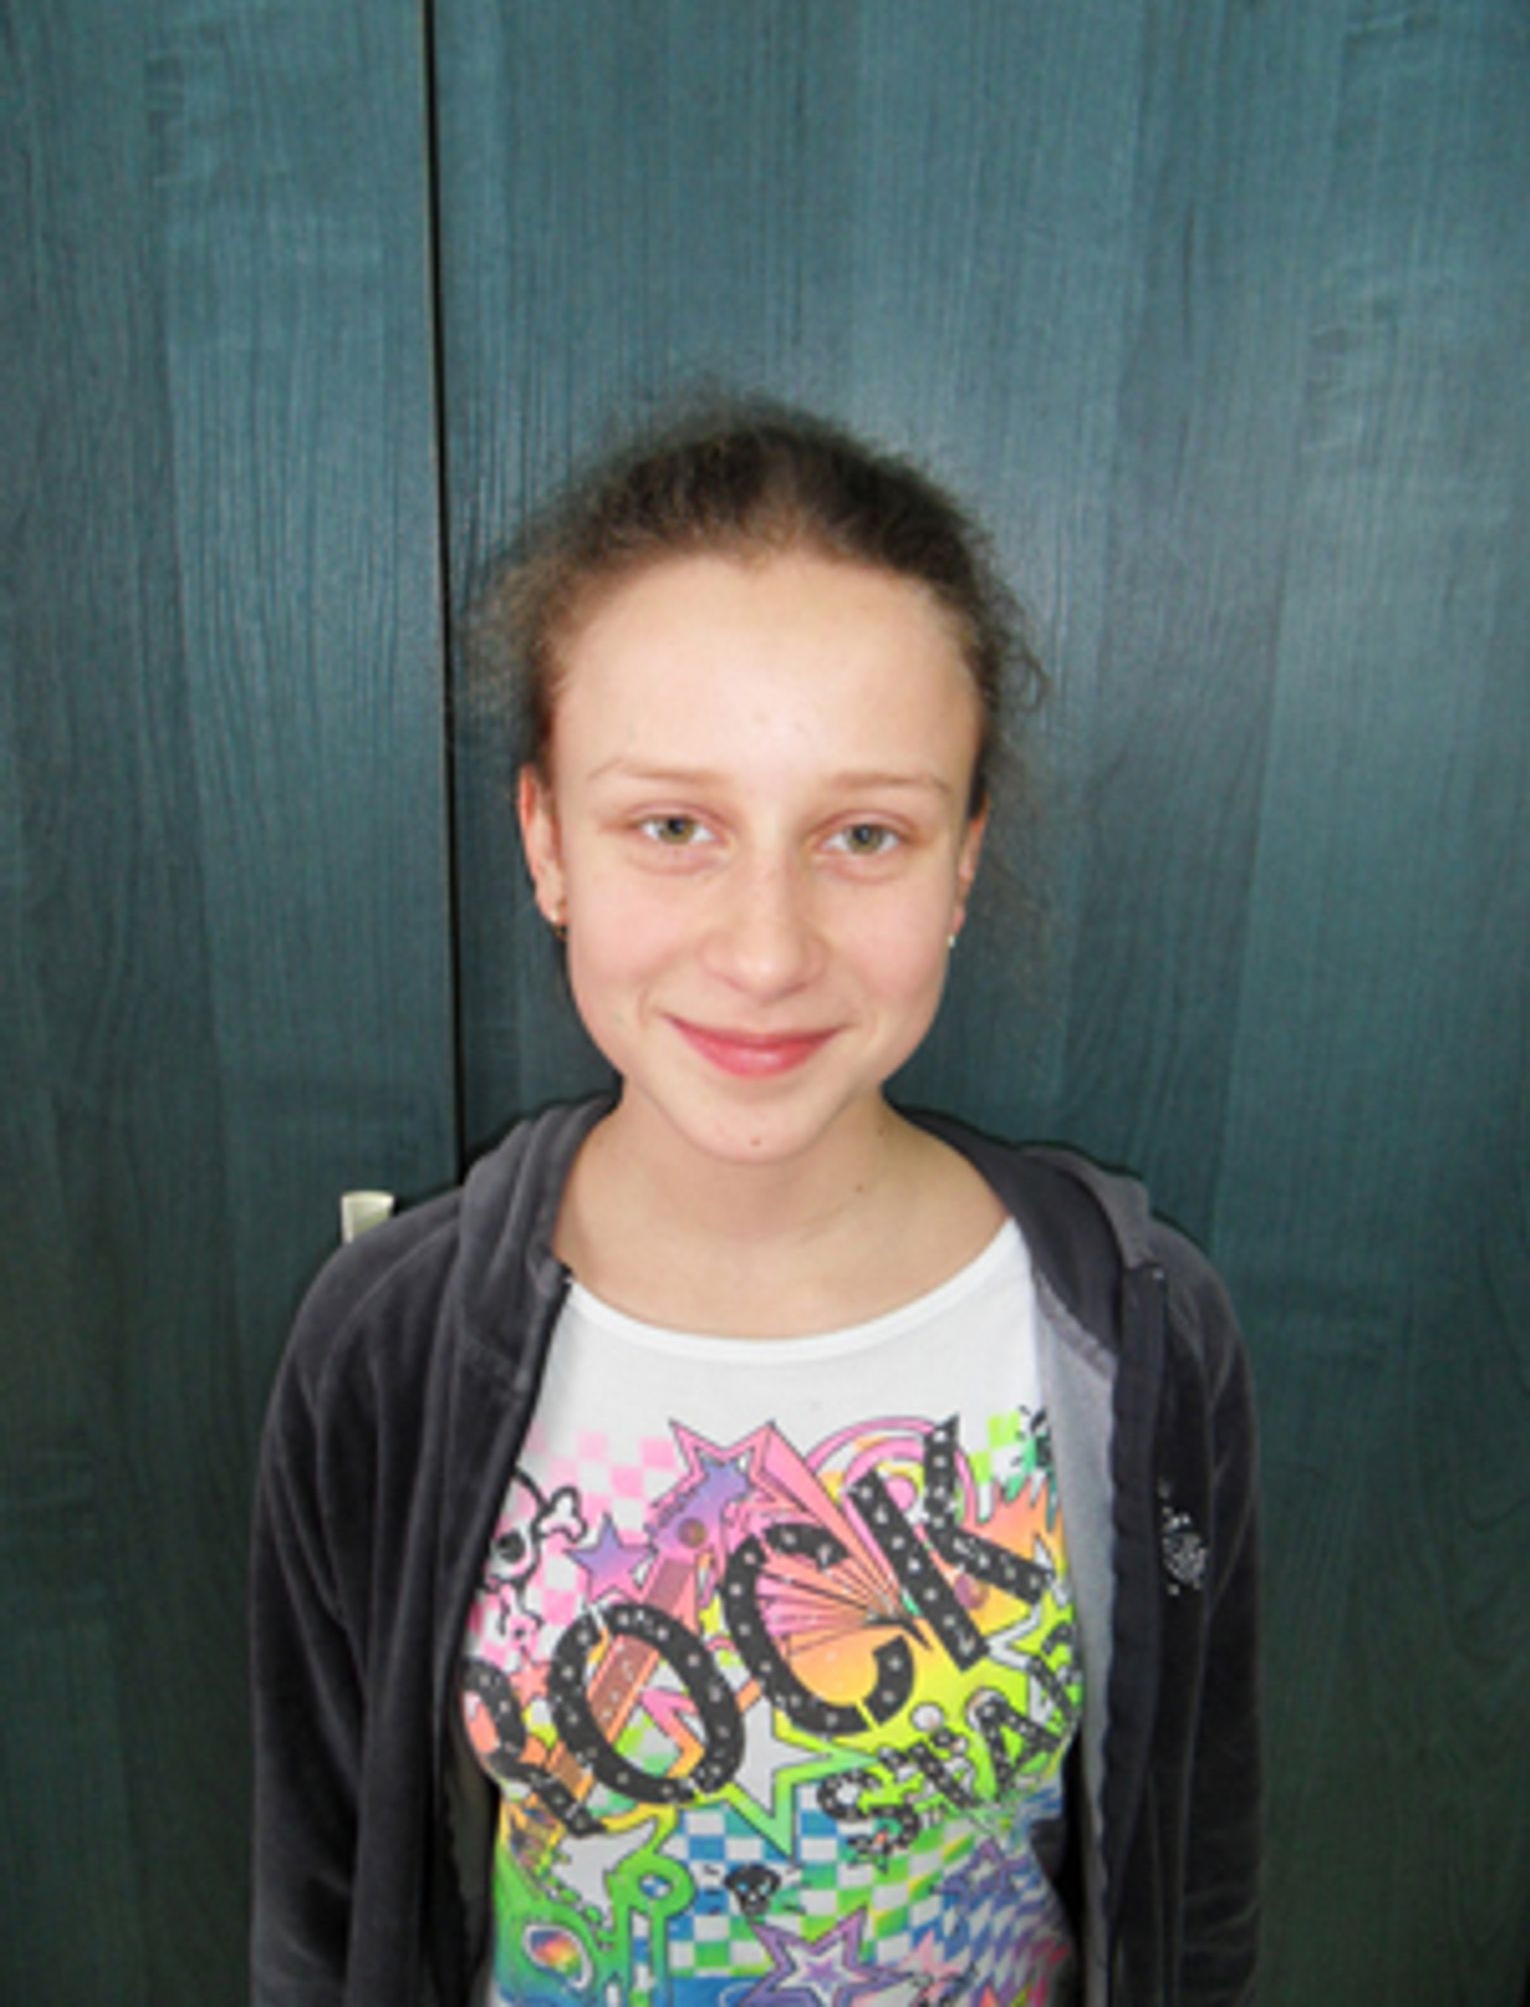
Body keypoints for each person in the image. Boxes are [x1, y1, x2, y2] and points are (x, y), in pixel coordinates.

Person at [251, 406, 1260, 2007]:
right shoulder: (388, 1346)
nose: (765, 950)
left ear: (962, 861)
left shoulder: (1139, 1332)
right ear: (546, 842)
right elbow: (321, 1902)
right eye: (672, 827)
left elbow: (1191, 1875)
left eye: (863, 834)